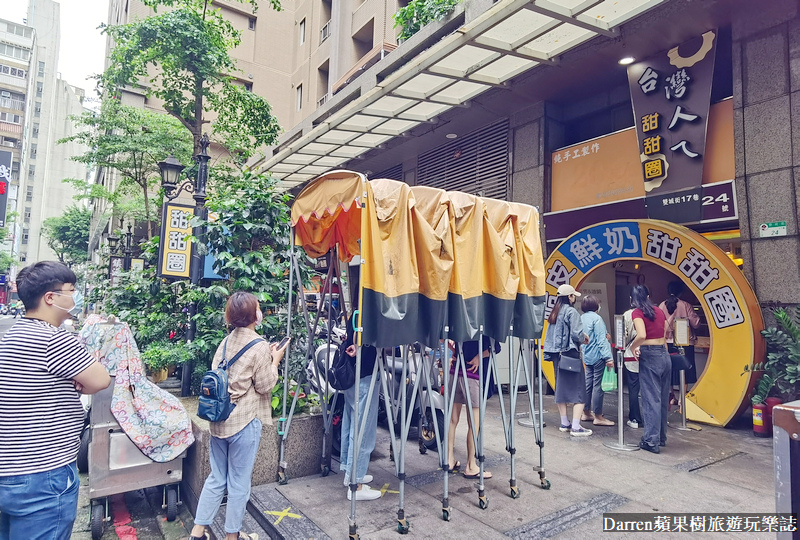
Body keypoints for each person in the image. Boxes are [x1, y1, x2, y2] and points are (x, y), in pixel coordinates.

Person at [0, 261, 110, 540]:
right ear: (51, 297)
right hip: (43, 474)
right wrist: (84, 374)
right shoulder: (56, 340)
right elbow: (99, 380)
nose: (75, 297)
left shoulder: (12, 335)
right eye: (71, 290)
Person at [190, 292, 288, 540]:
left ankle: (197, 531)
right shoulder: (260, 346)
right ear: (255, 315)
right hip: (244, 423)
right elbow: (265, 385)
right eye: (258, 308)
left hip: (219, 421)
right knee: (239, 484)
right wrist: (274, 360)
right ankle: (232, 537)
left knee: (216, 478)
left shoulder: (224, 343)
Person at [339, 310, 381, 501]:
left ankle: (351, 474)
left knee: (351, 425)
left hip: (354, 378)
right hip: (365, 376)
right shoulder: (368, 314)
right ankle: (356, 484)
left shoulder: (356, 313)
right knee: (363, 431)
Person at [446, 336, 500, 479]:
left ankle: (449, 460)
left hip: (455, 371)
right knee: (474, 423)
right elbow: (494, 348)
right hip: (473, 373)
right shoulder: (483, 318)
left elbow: (444, 339)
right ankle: (471, 465)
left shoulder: (459, 316)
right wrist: (478, 356)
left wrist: (456, 351)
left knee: (452, 420)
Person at [543, 284, 592, 437]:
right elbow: (577, 335)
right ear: (569, 297)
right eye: (573, 296)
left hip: (557, 356)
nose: (575, 298)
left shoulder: (554, 312)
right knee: (579, 391)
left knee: (561, 389)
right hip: (570, 355)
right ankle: (576, 426)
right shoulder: (571, 312)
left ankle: (565, 423)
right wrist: (584, 337)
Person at [629, 285, 670, 454]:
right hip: (664, 355)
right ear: (648, 296)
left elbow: (642, 335)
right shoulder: (659, 311)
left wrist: (633, 347)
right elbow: (665, 332)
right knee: (661, 398)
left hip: (650, 357)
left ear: (632, 299)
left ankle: (651, 441)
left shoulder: (637, 313)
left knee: (651, 399)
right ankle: (661, 437)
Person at [658, 280, 701, 410]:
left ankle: (671, 396)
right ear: (681, 292)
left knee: (669, 370)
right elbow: (696, 323)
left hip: (666, 343)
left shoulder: (661, 305)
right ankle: (682, 399)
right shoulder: (685, 305)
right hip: (684, 343)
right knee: (685, 370)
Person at [580, 295, 615, 426]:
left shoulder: (581, 318)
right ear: (595, 306)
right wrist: (608, 358)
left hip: (587, 356)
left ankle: (586, 412)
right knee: (598, 386)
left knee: (588, 384)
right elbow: (601, 341)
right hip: (598, 356)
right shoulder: (597, 319)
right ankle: (598, 416)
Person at [622, 308, 642, 429]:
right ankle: (655, 418)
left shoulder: (628, 314)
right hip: (652, 354)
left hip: (632, 354)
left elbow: (624, 335)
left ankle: (635, 418)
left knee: (634, 388)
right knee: (652, 389)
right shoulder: (653, 311)